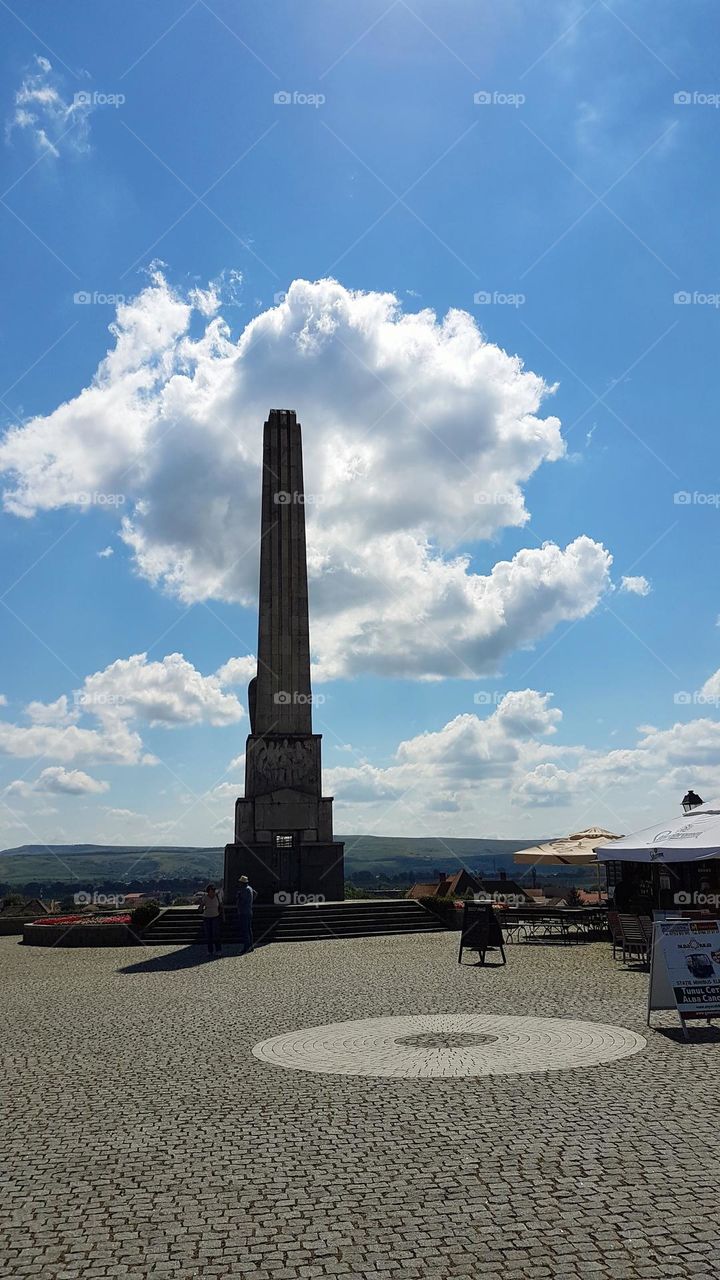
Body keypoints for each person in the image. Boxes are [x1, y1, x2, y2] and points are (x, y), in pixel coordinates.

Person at [199, 883, 223, 956]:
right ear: (208, 891)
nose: (212, 892)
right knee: (208, 935)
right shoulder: (205, 897)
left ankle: (218, 950)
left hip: (215, 916)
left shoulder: (217, 896)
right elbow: (201, 907)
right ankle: (210, 950)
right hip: (207, 917)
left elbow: (221, 906)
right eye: (210, 891)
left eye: (213, 891)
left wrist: (221, 915)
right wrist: (201, 907)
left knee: (216, 934)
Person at [236, 875, 256, 953]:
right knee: (249, 929)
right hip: (249, 910)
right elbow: (255, 893)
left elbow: (242, 901)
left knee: (245, 930)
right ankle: (251, 946)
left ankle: (246, 947)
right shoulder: (250, 888)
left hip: (244, 912)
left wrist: (238, 897)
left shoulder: (244, 890)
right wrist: (250, 902)